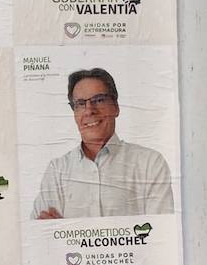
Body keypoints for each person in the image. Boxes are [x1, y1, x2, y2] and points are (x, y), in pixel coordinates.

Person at [32, 68, 173, 219]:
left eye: (99, 100)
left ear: (116, 107)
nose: (89, 110)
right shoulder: (57, 170)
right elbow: (42, 235)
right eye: (80, 103)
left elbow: (158, 235)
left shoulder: (150, 163)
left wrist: (65, 233)